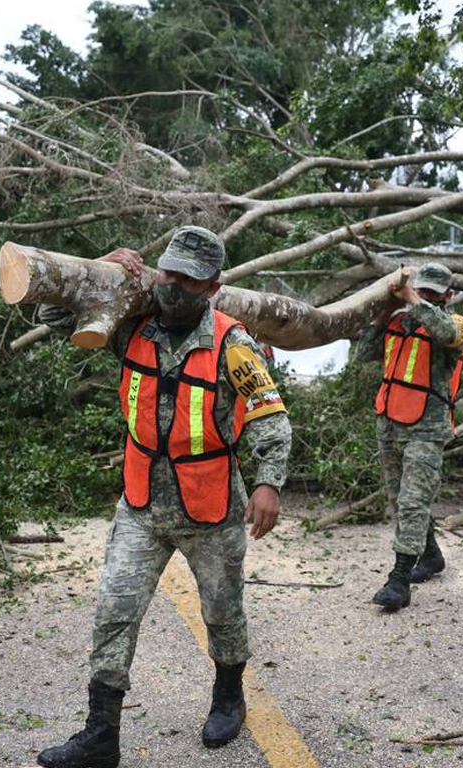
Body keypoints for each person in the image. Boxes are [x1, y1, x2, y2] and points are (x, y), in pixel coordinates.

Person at [35, 226, 292, 767]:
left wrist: (268, 482)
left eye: (187, 280)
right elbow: (52, 317)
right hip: (142, 502)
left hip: (211, 506)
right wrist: (95, 270)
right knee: (114, 612)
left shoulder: (232, 342)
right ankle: (100, 734)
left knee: (222, 612)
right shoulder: (132, 326)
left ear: (212, 285)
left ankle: (228, 696)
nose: (172, 286)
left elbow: (269, 414)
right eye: (168, 274)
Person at [353, 263, 463, 611]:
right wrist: (382, 315)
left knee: (412, 501)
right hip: (389, 422)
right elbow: (363, 356)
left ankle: (399, 581)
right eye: (424, 290)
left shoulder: (457, 325)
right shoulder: (398, 322)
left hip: (427, 427)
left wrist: (414, 301)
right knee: (399, 500)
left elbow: (447, 334)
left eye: (436, 292)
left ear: (448, 296)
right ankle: (431, 556)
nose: (428, 296)